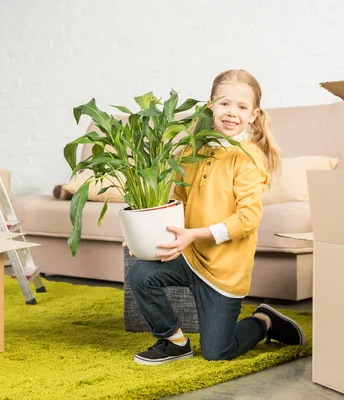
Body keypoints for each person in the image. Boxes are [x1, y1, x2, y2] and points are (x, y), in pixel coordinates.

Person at [127, 69, 306, 365]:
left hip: (224, 271)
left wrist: (194, 235)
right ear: (210, 105)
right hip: (189, 256)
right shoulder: (193, 149)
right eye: (224, 104)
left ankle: (264, 321)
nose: (231, 112)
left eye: (241, 107)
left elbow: (247, 219)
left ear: (254, 114)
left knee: (216, 353)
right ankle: (173, 341)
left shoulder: (248, 158)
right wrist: (145, 236)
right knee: (141, 274)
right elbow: (179, 201)